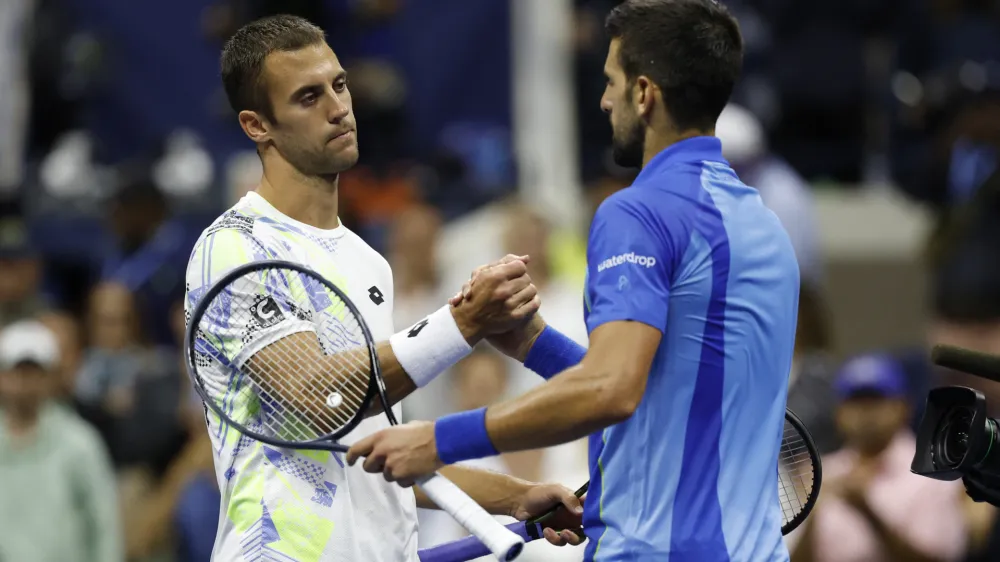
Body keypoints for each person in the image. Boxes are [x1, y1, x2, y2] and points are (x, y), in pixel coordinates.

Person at [348, 1, 801, 560]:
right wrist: (534, 346)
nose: (605, 100)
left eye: (610, 83)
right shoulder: (765, 226)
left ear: (644, 93)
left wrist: (437, 441)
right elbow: (667, 387)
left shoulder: (637, 213)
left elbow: (611, 390)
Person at [184, 14, 582, 561]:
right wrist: (463, 323)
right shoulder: (233, 248)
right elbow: (320, 403)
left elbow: (372, 449)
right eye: (307, 97)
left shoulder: (368, 262)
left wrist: (516, 498)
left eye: (339, 85)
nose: (338, 107)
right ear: (258, 126)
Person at [788, 353, 968, 562]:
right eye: (855, 403)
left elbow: (938, 559)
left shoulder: (935, 470)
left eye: (876, 402)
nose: (866, 414)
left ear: (903, 407)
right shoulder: (823, 473)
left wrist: (866, 510)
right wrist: (813, 515)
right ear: (838, 413)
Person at [0, 319, 123, 562]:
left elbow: (105, 527)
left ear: (50, 377)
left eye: (33, 373)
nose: (24, 383)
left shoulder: (80, 444)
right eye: (16, 372)